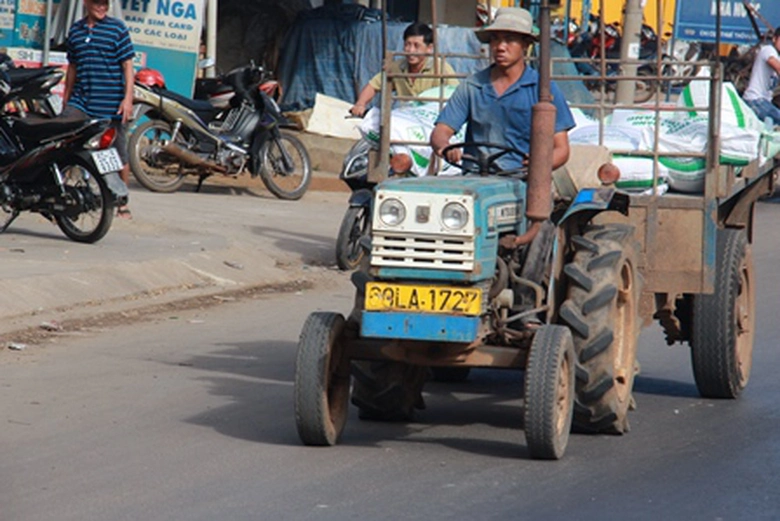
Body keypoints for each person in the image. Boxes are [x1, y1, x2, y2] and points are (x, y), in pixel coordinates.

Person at [430, 7, 575, 174]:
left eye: (509, 40)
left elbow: (561, 149)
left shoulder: (542, 89)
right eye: (495, 39)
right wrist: (445, 147)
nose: (500, 47)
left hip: (520, 179)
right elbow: (441, 131)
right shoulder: (473, 86)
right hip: (475, 177)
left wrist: (539, 163)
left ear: (525, 44)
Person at [62, 0, 135, 218]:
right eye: (97, 3)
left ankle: (121, 202)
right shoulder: (75, 31)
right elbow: (72, 67)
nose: (102, 7)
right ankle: (62, 196)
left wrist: (127, 99)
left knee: (118, 156)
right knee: (63, 141)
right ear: (86, 3)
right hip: (81, 102)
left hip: (110, 105)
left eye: (105, 3)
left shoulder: (117, 29)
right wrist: (66, 98)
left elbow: (128, 66)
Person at [349, 22, 459, 117]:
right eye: (407, 44)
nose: (410, 50)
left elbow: (456, 95)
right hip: (406, 119)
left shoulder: (441, 68)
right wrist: (360, 104)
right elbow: (373, 85)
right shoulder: (397, 67)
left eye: (416, 46)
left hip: (430, 120)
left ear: (429, 48)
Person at [743, 29, 780, 126]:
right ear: (774, 39)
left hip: (765, 102)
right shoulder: (768, 50)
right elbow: (774, 63)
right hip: (754, 99)